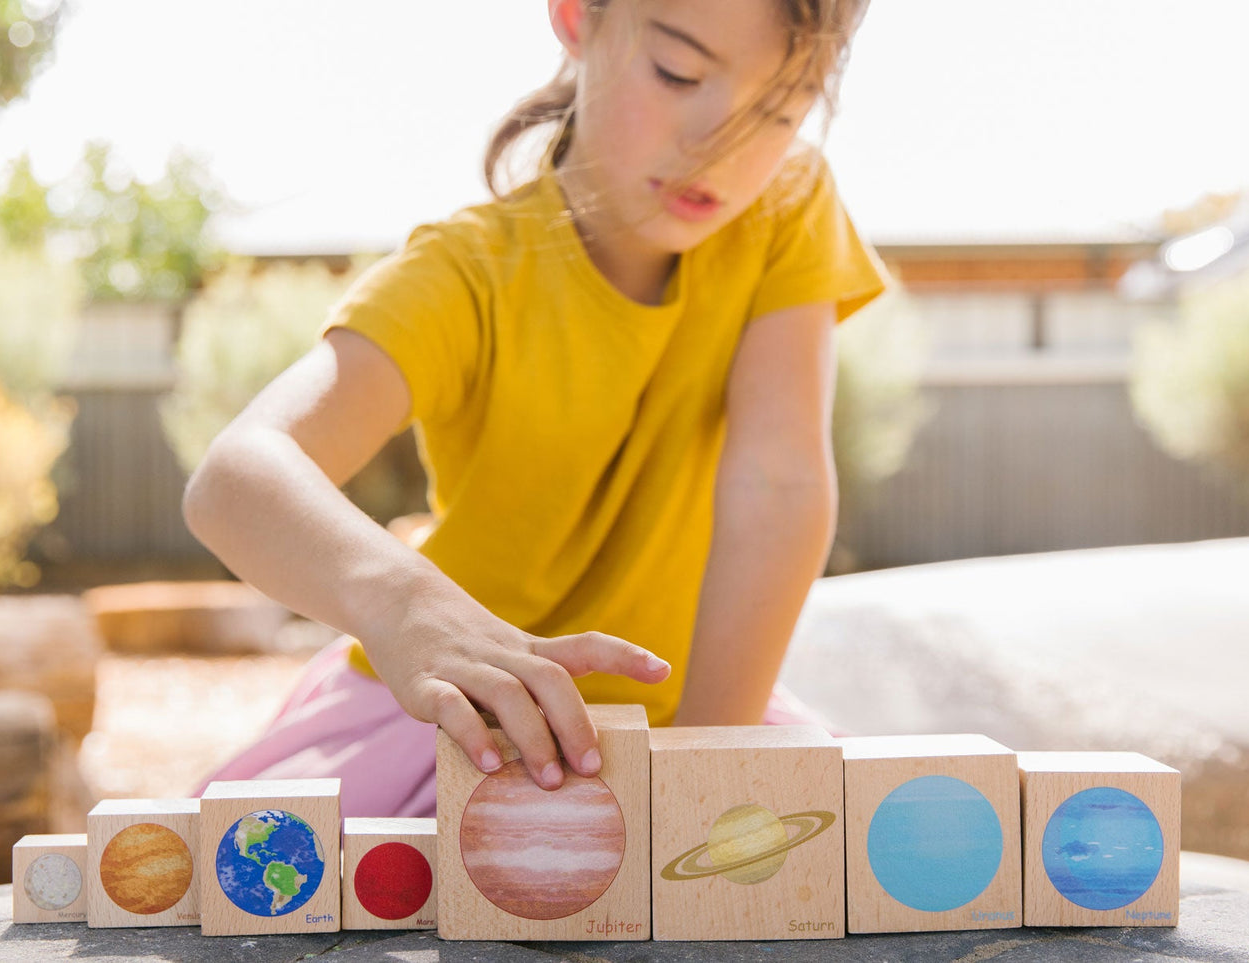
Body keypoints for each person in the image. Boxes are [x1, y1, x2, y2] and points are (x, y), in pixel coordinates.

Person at [184, 0, 885, 818]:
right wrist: (406, 607)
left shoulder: (786, 205)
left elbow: (780, 482)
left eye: (779, 110)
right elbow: (235, 478)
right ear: (577, 16)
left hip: (702, 717)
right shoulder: (466, 273)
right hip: (454, 726)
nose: (718, 146)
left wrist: (705, 763)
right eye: (678, 73)